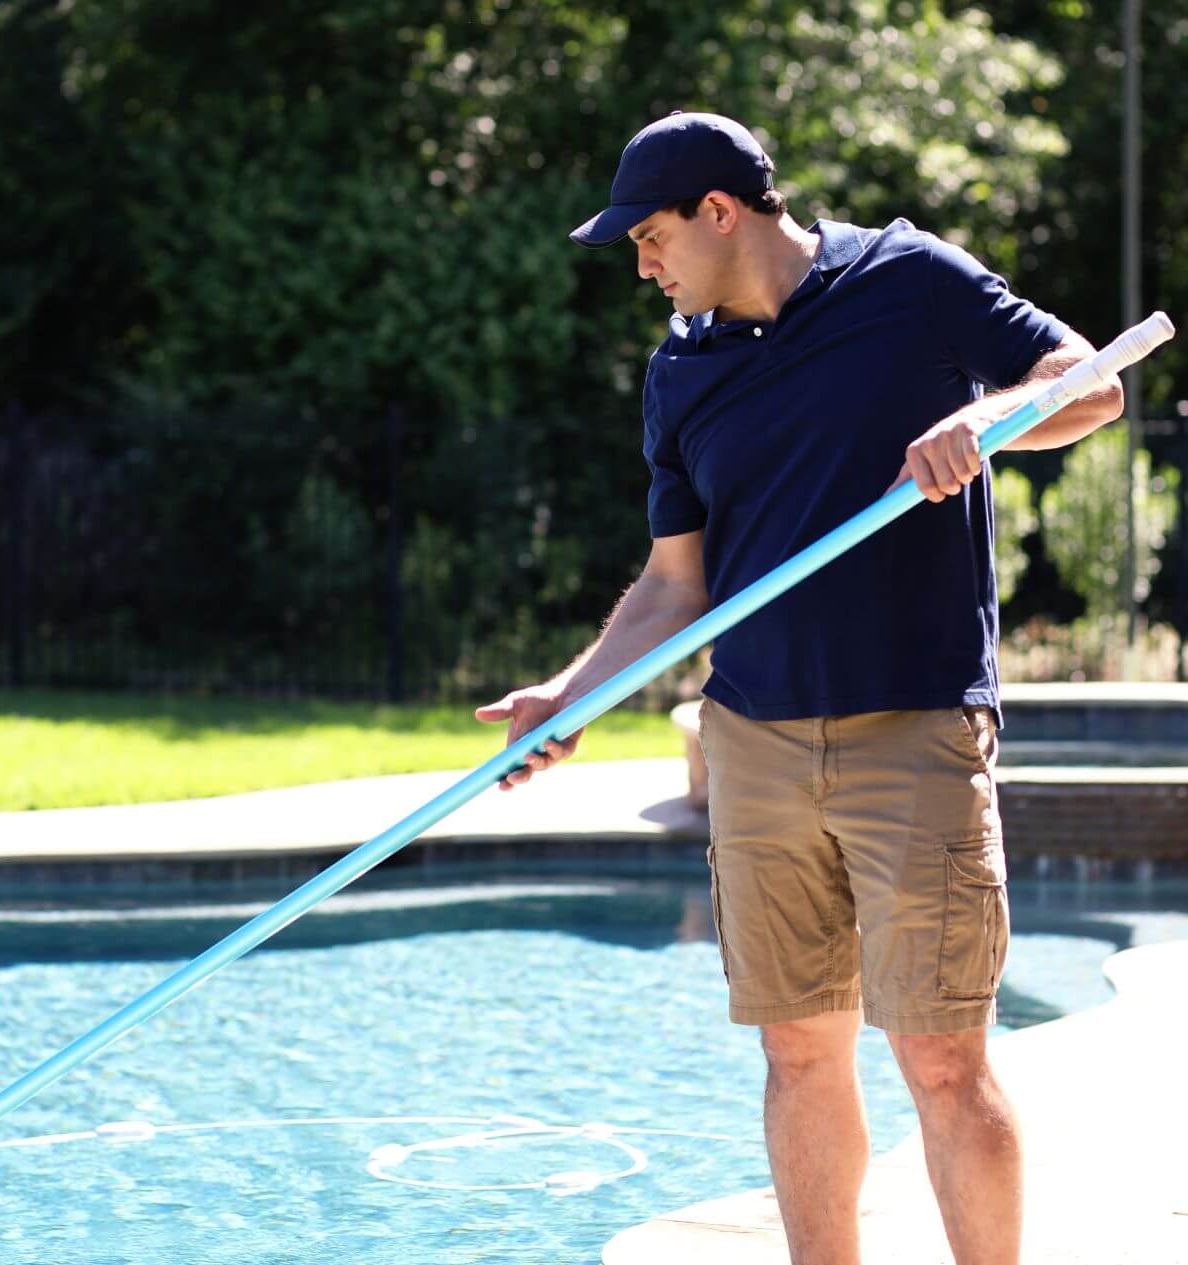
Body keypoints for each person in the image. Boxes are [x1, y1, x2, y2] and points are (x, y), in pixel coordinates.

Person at [475, 112, 1122, 1265]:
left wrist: (987, 419)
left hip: (914, 724)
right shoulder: (683, 373)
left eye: (651, 234)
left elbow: (1093, 384)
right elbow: (678, 587)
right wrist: (566, 697)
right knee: (799, 1051)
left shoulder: (910, 279)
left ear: (721, 212)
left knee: (940, 1057)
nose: (642, 261)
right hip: (757, 744)